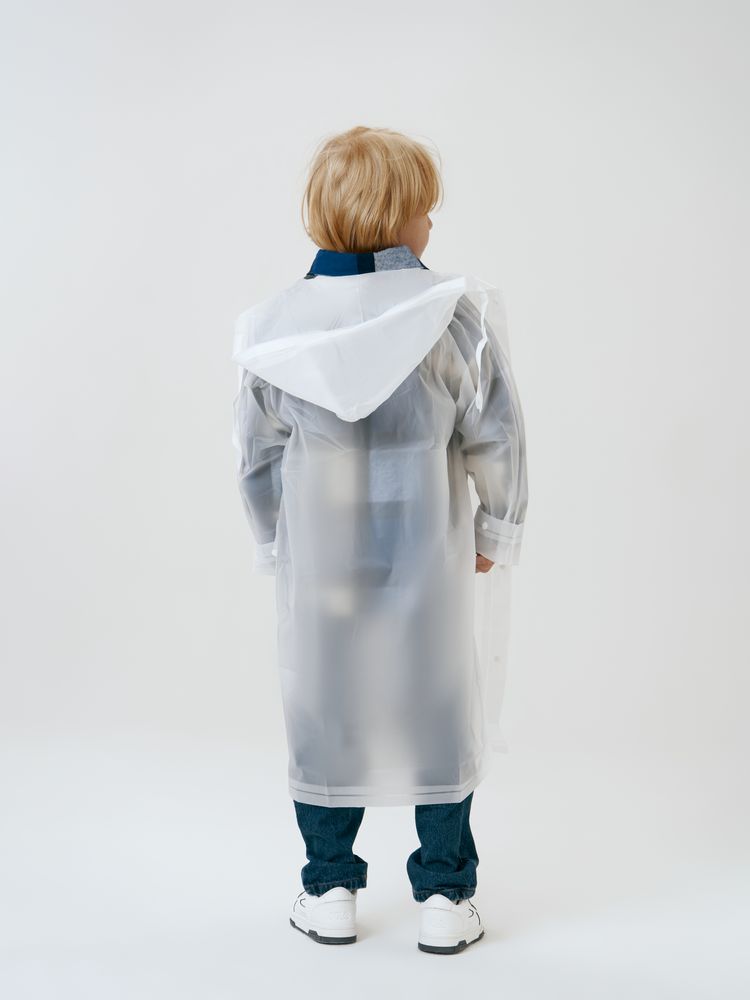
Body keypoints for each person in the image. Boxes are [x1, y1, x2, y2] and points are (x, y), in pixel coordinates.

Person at [231, 125, 528, 953]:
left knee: (326, 708)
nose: (432, 224)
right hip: (427, 555)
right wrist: (496, 526)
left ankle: (328, 887)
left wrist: (272, 542)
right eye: (426, 210)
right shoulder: (451, 316)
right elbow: (498, 435)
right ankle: (445, 896)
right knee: (438, 709)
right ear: (398, 220)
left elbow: (255, 457)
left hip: (321, 562)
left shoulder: (275, 329)